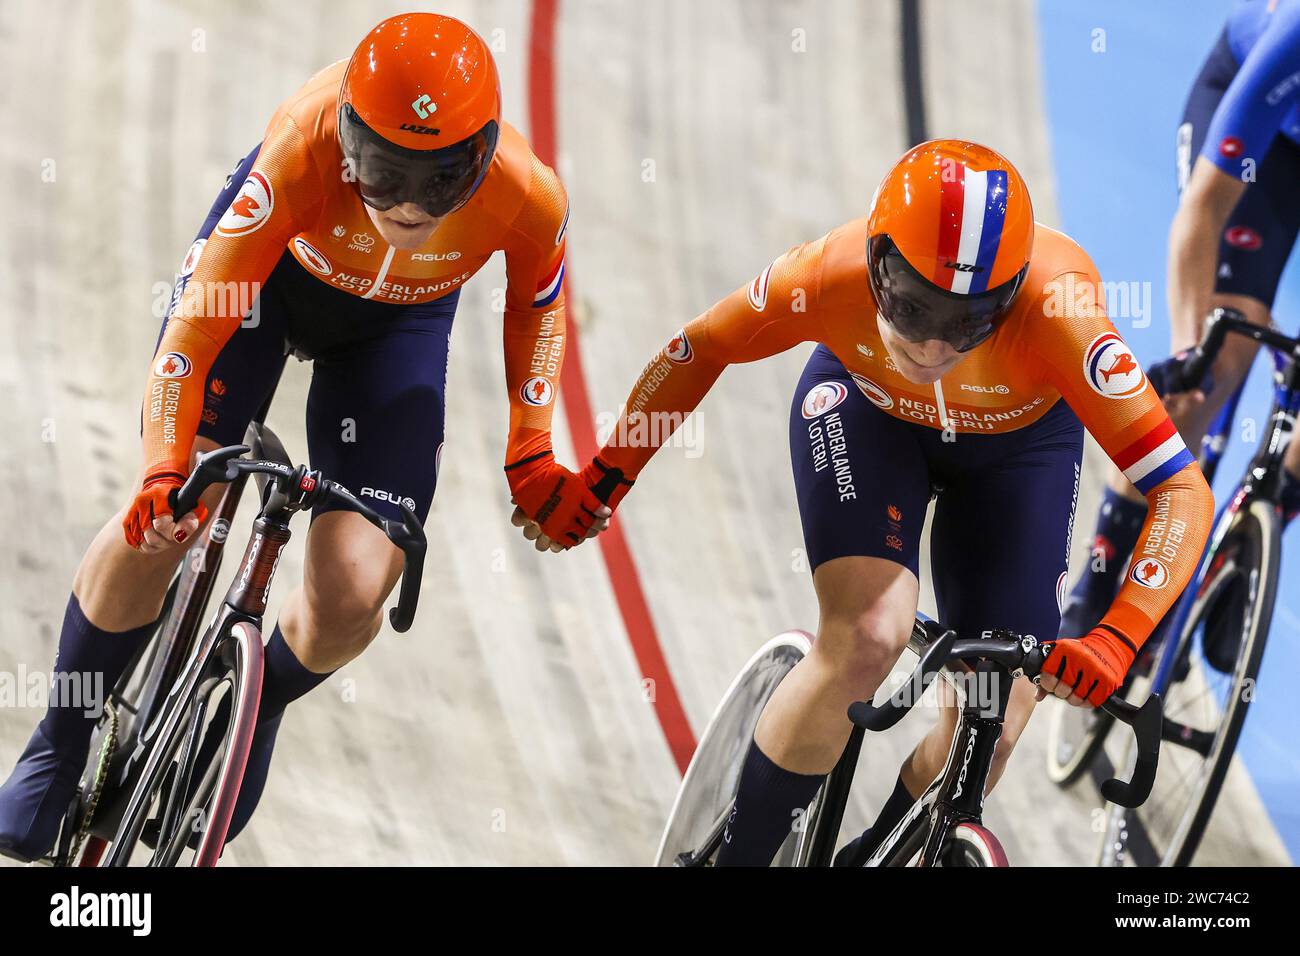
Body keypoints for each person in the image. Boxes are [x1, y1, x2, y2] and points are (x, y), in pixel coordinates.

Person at [0, 12, 608, 861]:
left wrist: (533, 454)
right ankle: (60, 741)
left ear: (479, 159)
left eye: (437, 185)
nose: (404, 205)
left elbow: (537, 314)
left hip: (395, 333)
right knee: (179, 510)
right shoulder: (300, 141)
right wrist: (162, 467)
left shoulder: (530, 194)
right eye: (383, 172)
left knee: (355, 591)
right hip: (266, 287)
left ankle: (256, 703)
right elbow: (194, 327)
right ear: (348, 141)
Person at [558, 140, 1215, 866]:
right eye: (909, 306)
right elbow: (700, 347)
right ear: (875, 264)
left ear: (1013, 296)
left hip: (1015, 452)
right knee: (869, 636)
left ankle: (875, 853)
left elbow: (1181, 491)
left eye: (965, 323)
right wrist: (601, 481)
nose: (931, 346)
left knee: (998, 711)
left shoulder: (1064, 317)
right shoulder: (826, 272)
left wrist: (1116, 636)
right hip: (868, 414)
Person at [1061, 0, 1300, 648]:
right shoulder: (1292, 39)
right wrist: (1193, 349)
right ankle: (1103, 568)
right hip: (1264, 148)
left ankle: (1258, 529)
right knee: (1217, 364)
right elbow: (1202, 212)